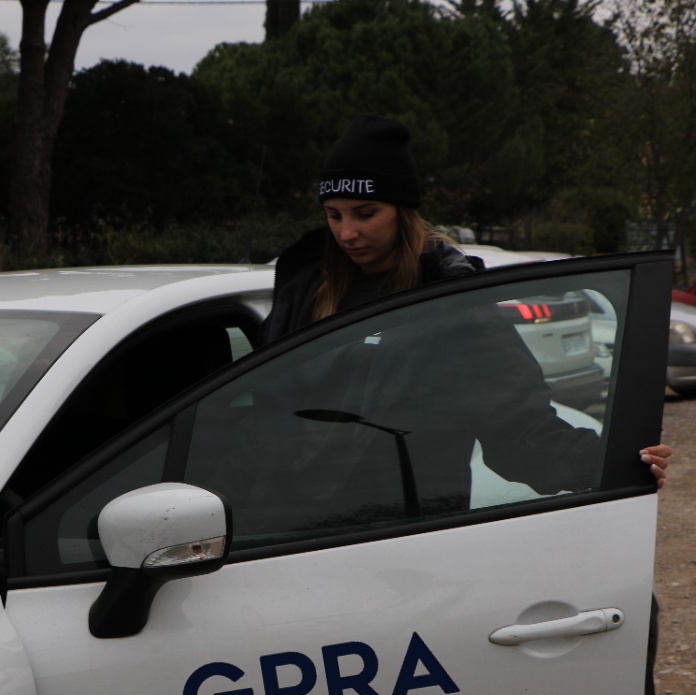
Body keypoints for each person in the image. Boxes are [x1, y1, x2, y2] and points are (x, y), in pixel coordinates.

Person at [258, 114, 670, 491]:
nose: (346, 232)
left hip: (396, 536)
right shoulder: (305, 290)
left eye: (365, 213)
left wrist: (610, 461)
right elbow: (258, 419)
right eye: (334, 215)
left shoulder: (452, 302)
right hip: (287, 529)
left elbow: (519, 428)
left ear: (403, 211)